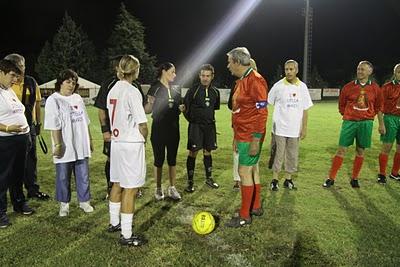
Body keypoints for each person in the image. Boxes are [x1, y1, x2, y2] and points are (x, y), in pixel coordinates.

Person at [224, 47, 268, 227]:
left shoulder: (256, 81)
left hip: (251, 134)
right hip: (243, 133)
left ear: (236, 62)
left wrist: (256, 139)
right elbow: (239, 110)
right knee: (252, 170)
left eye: (229, 62)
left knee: (243, 172)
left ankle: (244, 215)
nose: (228, 66)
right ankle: (255, 207)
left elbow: (262, 113)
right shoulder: (242, 80)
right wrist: (236, 136)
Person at [107, 55, 148, 246]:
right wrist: (145, 138)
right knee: (130, 189)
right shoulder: (132, 91)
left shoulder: (112, 89)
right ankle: (126, 234)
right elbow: (142, 123)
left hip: (116, 142)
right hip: (131, 144)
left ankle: (114, 223)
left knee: (116, 183)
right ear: (135, 70)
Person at [323, 61, 382, 188]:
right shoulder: (348, 87)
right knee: (341, 149)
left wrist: (368, 117)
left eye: (363, 69)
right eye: (358, 69)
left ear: (370, 72)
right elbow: (341, 106)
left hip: (366, 123)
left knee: (360, 151)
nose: (360, 71)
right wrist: (350, 115)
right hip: (349, 122)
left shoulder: (375, 88)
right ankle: (331, 178)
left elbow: (378, 106)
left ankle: (355, 178)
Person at [44, 69, 94, 216]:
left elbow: (86, 121)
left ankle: (84, 202)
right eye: (68, 82)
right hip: (65, 145)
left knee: (83, 175)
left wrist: (89, 140)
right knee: (63, 176)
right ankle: (64, 205)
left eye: (73, 82)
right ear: (60, 82)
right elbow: (54, 125)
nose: (71, 85)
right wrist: (58, 145)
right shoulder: (54, 100)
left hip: (81, 144)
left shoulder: (78, 98)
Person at [94, 55, 145, 199]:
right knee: (112, 161)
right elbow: (101, 109)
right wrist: (105, 131)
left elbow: (141, 108)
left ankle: (128, 188)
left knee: (124, 165)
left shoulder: (135, 86)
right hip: (118, 133)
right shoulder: (110, 84)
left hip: (125, 133)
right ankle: (111, 187)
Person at [4, 53, 50, 200]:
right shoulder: (6, 85)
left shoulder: (31, 81)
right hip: (9, 131)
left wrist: (38, 124)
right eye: (19, 66)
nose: (22, 69)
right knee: (13, 164)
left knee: (31, 159)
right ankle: (15, 194)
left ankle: (32, 189)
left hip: (28, 127)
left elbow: (36, 103)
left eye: (23, 66)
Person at [268, 60, 313, 191]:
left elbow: (305, 109)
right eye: (286, 69)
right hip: (279, 128)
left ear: (296, 70)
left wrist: (304, 127)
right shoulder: (278, 86)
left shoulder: (302, 87)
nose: (288, 72)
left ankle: (288, 179)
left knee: (292, 155)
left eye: (291, 69)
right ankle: (274, 180)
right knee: (278, 154)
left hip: (295, 129)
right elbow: (269, 101)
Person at [0, 59, 33, 228]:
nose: (14, 80)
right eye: (12, 75)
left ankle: (19, 204)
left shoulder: (8, 90)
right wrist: (7, 127)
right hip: (5, 140)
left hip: (21, 138)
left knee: (18, 175)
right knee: (3, 176)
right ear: (1, 71)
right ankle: (0, 213)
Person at [144, 63, 184, 201]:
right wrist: (150, 103)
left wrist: (182, 108)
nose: (175, 75)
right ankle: (158, 188)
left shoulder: (176, 90)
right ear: (163, 71)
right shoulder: (154, 88)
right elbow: (147, 110)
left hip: (174, 128)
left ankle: (172, 188)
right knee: (159, 160)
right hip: (159, 129)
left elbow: (179, 107)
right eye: (172, 72)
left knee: (172, 160)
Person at [183, 64, 220, 193]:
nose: (205, 78)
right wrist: (192, 121)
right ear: (199, 76)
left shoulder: (215, 92)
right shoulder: (193, 91)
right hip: (195, 126)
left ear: (212, 77)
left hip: (210, 126)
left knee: (207, 151)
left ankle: (209, 178)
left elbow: (213, 109)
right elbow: (185, 109)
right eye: (203, 75)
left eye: (207, 76)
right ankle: (190, 182)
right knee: (193, 152)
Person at [228, 58, 259, 191]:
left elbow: (261, 111)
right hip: (240, 127)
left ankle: (250, 203)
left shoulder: (256, 85)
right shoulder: (238, 84)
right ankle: (238, 180)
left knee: (250, 161)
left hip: (251, 129)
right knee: (238, 154)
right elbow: (232, 106)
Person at [377, 63, 400, 183]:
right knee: (387, 147)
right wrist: (381, 124)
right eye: (398, 72)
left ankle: (395, 173)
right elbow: (379, 107)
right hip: (390, 118)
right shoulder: (387, 87)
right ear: (394, 73)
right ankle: (381, 174)